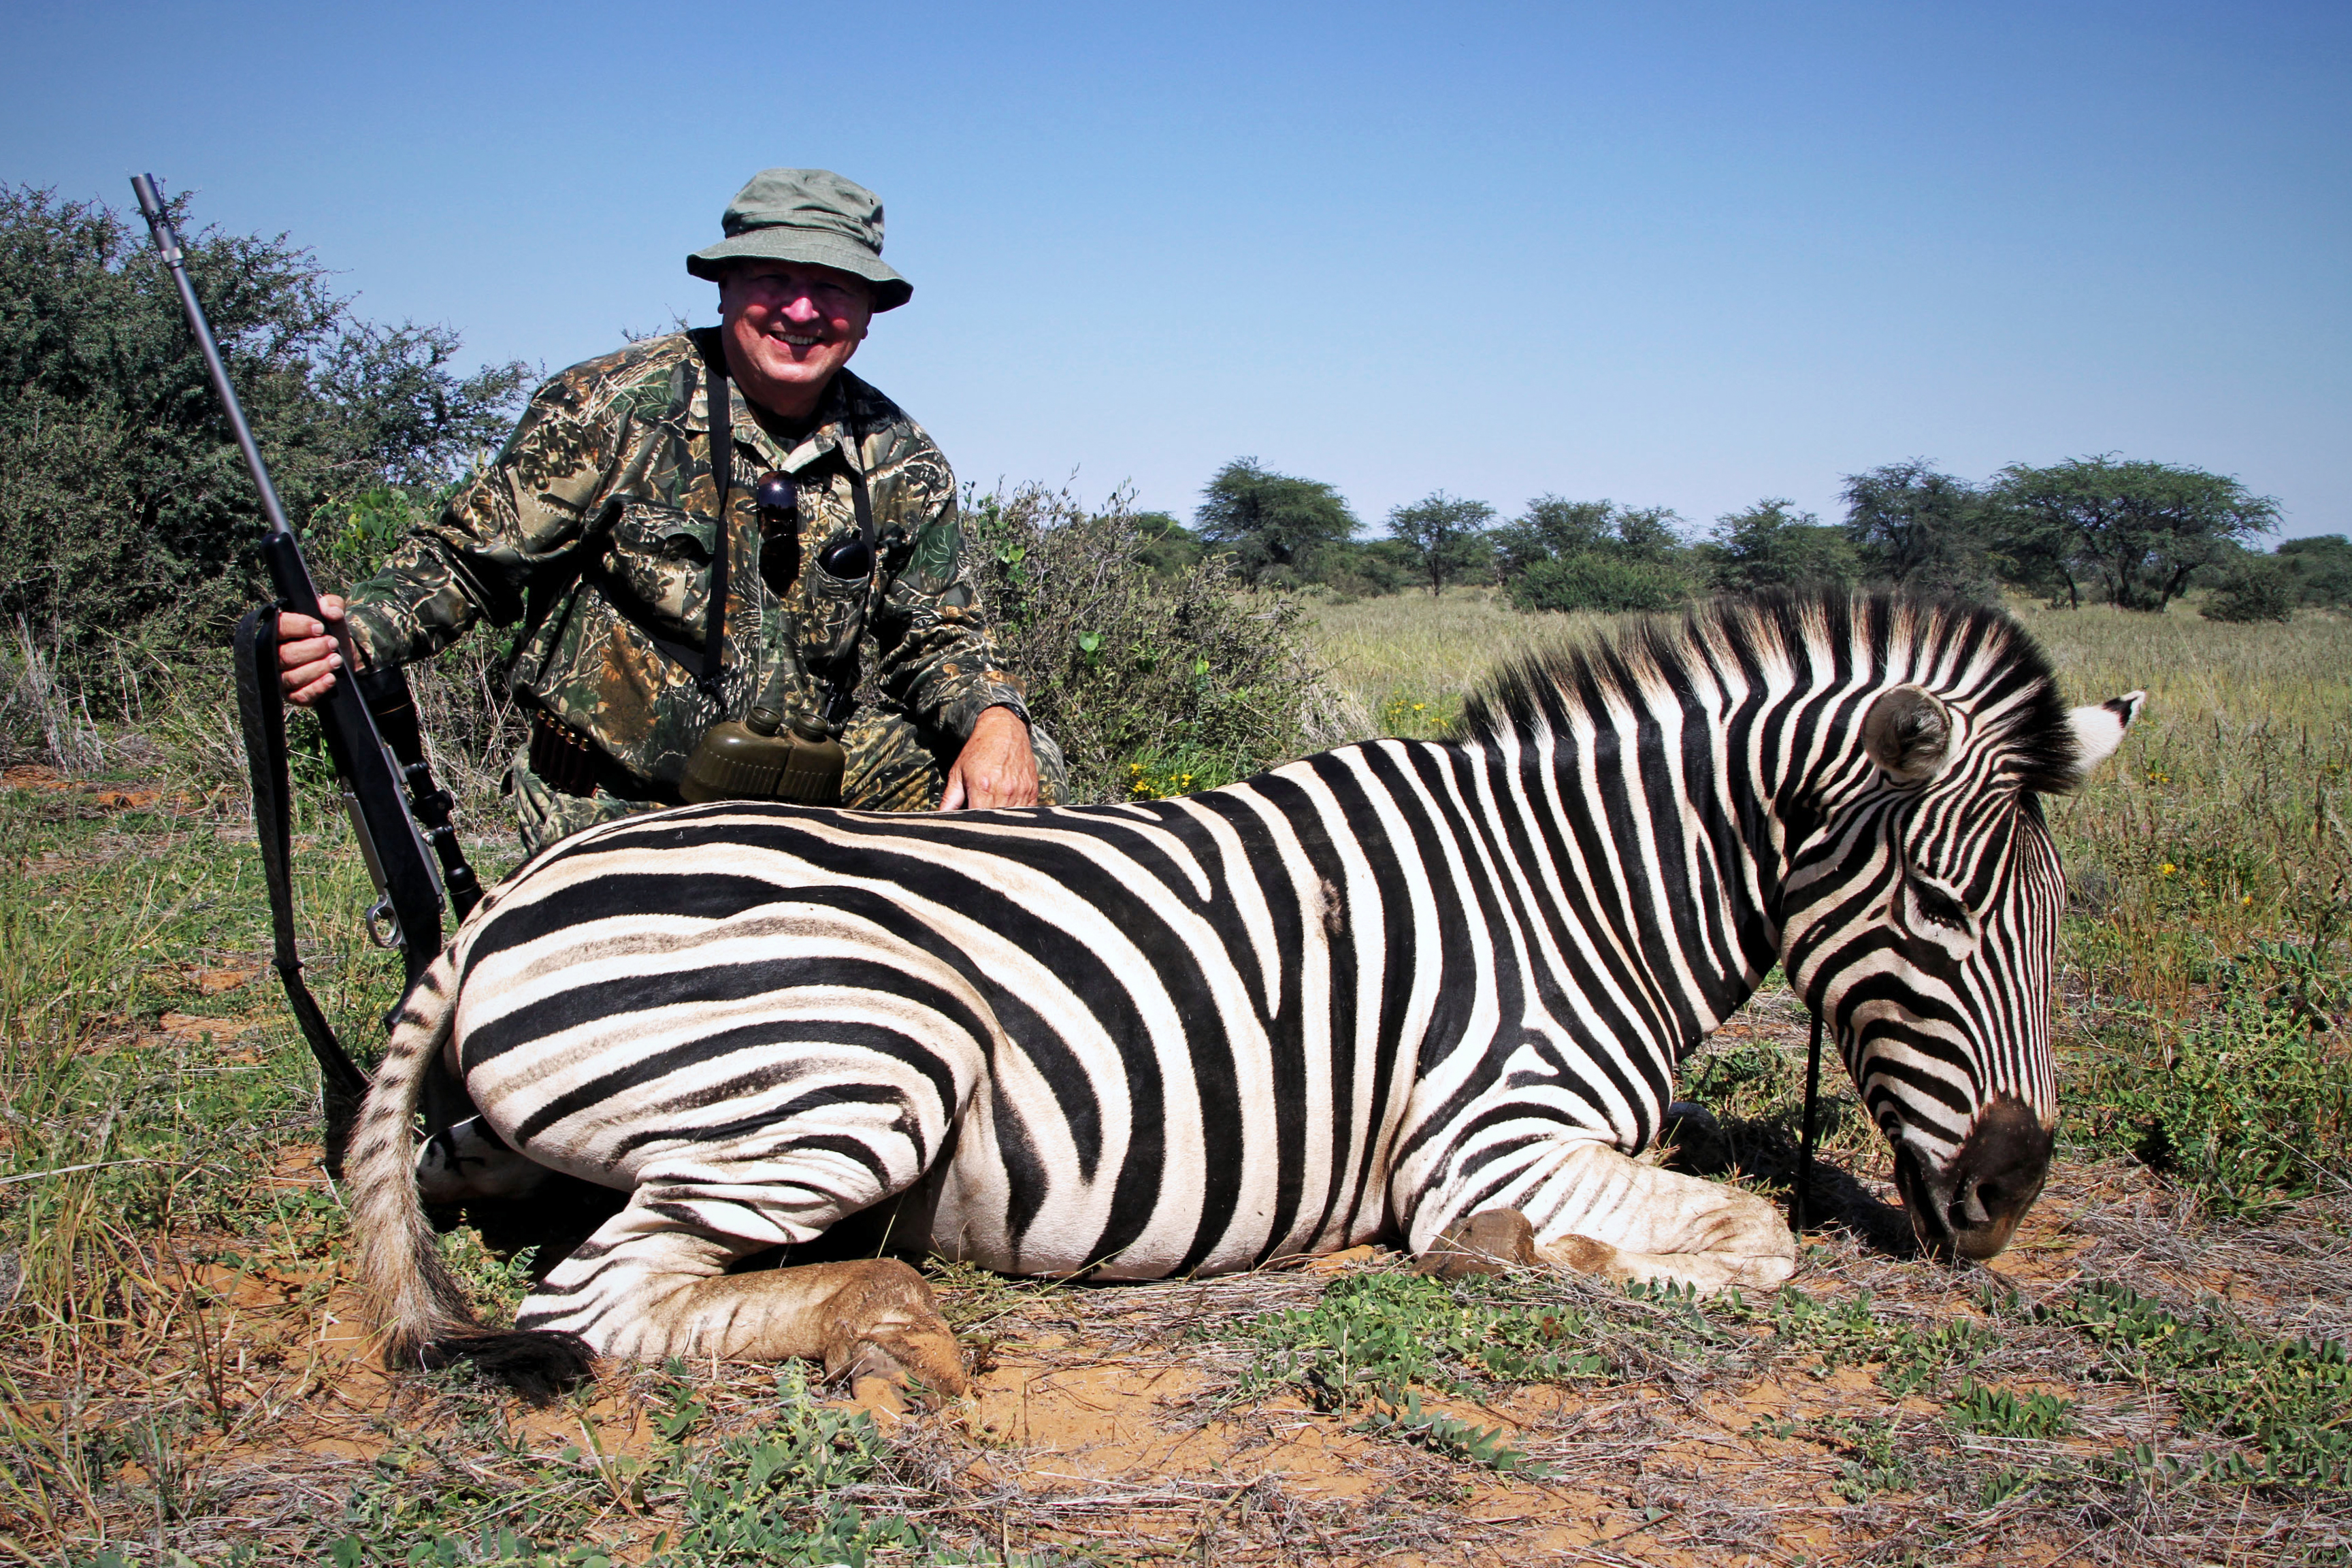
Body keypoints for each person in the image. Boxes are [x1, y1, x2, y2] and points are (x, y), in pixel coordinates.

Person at [278, 167, 1062, 852]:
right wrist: (357, 635)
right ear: (724, 287)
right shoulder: (611, 406)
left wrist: (997, 721)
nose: (801, 310)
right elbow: (468, 560)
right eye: (772, 279)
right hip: (618, 800)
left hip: (806, 789)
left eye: (831, 287)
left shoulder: (901, 457)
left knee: (1035, 779)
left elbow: (941, 635)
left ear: (867, 310)